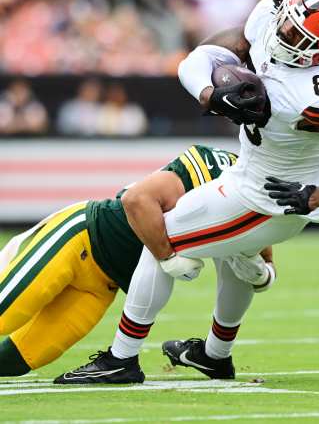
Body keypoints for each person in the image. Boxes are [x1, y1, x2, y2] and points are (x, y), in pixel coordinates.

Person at [56, 0, 319, 384]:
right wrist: (211, 94)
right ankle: (214, 355)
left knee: (164, 237)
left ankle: (121, 359)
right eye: (288, 23)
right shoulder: (271, 16)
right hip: (246, 173)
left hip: (270, 199)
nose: (285, 34)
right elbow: (201, 56)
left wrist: (315, 196)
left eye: (299, 35)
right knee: (233, 256)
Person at [0, 144, 276, 380]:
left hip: (101, 287)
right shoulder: (214, 165)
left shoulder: (263, 189)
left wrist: (262, 276)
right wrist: (168, 256)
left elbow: (262, 255)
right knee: (5, 311)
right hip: (82, 238)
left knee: (18, 360)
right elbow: (137, 200)